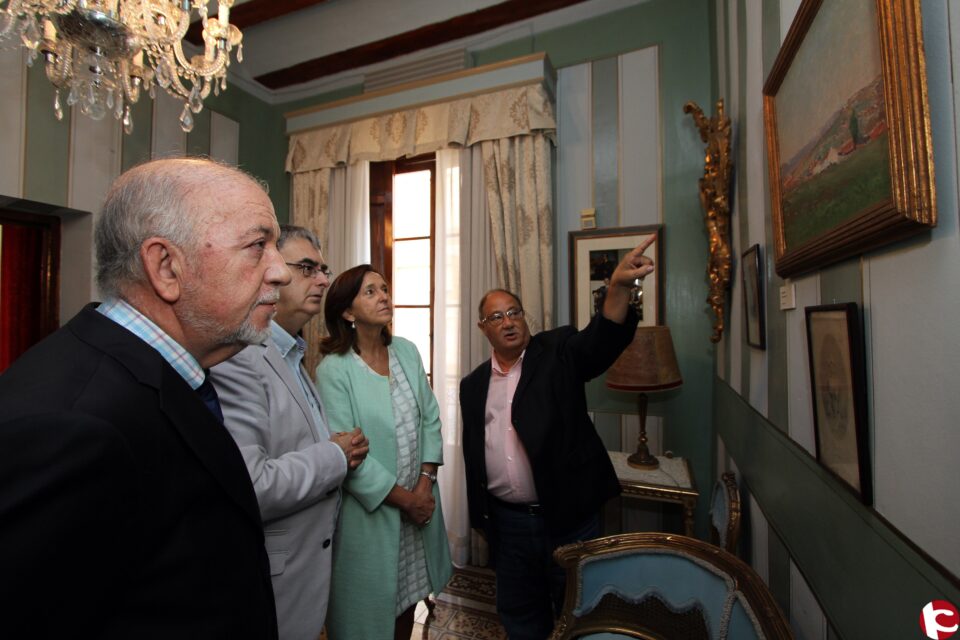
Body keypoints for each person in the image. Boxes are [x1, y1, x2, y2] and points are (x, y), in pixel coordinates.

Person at [0, 158, 287, 637]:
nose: (279, 271)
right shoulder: (71, 426)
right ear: (166, 267)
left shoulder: (165, 370)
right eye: (258, 245)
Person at [459, 238, 656, 640]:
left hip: (566, 521)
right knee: (521, 617)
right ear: (484, 328)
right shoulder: (472, 385)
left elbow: (600, 341)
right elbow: (474, 451)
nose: (509, 321)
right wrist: (481, 516)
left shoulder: (558, 352)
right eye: (497, 317)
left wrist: (617, 288)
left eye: (514, 312)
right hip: (507, 526)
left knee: (580, 615)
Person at [210, 225, 370, 640]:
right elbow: (252, 485)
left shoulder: (293, 352)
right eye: (306, 268)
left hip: (305, 566)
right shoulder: (239, 357)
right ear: (270, 272)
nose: (322, 280)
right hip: (272, 577)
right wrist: (335, 456)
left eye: (323, 269)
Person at [315, 265, 453, 640]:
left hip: (417, 514)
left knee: (407, 601)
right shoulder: (334, 371)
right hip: (375, 519)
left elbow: (431, 419)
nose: (384, 297)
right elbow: (350, 457)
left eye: (385, 289)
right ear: (347, 312)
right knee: (369, 616)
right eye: (370, 292)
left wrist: (424, 484)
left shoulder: (406, 352)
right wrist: (406, 500)